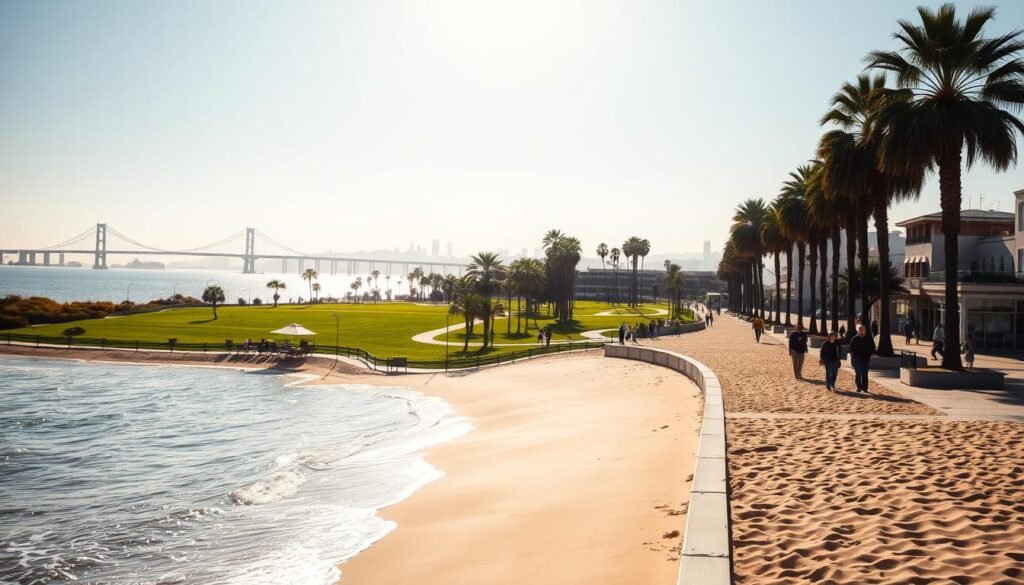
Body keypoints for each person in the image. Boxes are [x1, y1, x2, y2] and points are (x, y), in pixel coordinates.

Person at [848, 324, 876, 392]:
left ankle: (865, 388)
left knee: (865, 374)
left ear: (865, 330)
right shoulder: (855, 338)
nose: (861, 331)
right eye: (860, 330)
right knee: (858, 373)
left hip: (866, 358)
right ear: (857, 331)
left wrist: (871, 354)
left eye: (863, 330)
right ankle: (859, 387)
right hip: (857, 359)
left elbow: (873, 347)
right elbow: (851, 348)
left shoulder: (869, 338)